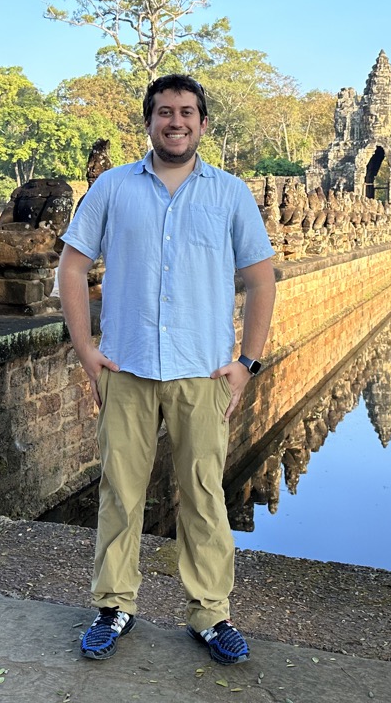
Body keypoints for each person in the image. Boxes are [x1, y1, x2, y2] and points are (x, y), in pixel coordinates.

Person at [59, 74, 277, 666]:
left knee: (204, 496)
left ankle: (210, 615)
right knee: (120, 493)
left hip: (203, 373)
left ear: (203, 124)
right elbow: (72, 266)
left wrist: (246, 364)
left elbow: (260, 280)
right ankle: (114, 605)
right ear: (149, 122)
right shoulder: (113, 188)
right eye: (164, 112)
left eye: (186, 112)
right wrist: (85, 347)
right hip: (126, 367)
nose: (175, 122)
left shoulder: (229, 194)